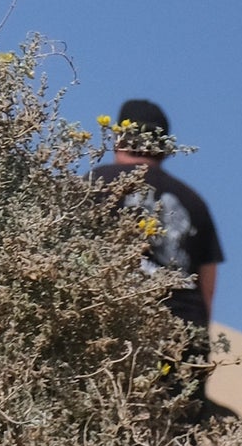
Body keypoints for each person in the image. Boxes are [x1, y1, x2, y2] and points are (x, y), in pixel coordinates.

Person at [92, 99, 223, 402]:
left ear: (119, 137)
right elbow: (207, 290)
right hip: (182, 336)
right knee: (171, 427)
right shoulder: (195, 203)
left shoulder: (96, 182)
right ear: (164, 149)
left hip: (114, 324)